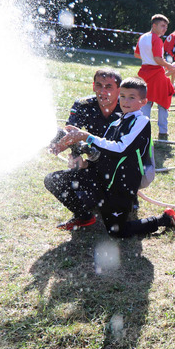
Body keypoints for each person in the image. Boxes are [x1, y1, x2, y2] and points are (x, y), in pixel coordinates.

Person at [52, 77, 175, 237]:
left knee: (117, 232)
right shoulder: (115, 124)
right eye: (123, 96)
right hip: (102, 178)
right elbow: (102, 155)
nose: (126, 101)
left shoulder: (142, 121)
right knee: (54, 179)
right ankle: (84, 217)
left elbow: (120, 149)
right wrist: (85, 164)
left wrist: (86, 136)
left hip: (121, 186)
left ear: (144, 101)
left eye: (132, 97)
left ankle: (164, 219)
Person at [45, 68, 124, 231]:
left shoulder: (128, 110)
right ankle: (84, 217)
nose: (103, 91)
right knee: (52, 179)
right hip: (93, 165)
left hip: (119, 169)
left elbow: (123, 153)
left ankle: (123, 196)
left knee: (114, 200)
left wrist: (87, 161)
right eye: (99, 85)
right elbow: (71, 133)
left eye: (109, 86)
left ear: (119, 89)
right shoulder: (83, 105)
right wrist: (72, 152)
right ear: (93, 86)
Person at [136, 14, 175, 140]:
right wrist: (169, 66)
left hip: (144, 72)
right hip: (156, 74)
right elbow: (157, 59)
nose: (165, 29)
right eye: (162, 26)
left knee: (146, 102)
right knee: (163, 103)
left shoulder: (142, 37)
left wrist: (149, 59)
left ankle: (142, 132)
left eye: (166, 26)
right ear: (154, 26)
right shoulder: (156, 39)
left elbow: (137, 54)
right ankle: (163, 132)